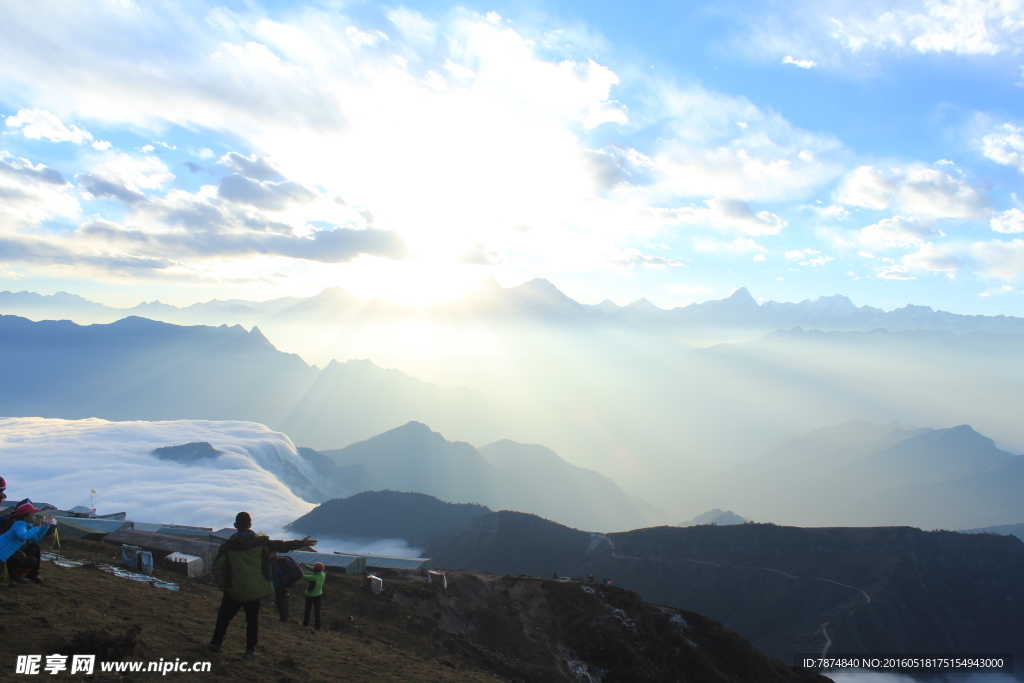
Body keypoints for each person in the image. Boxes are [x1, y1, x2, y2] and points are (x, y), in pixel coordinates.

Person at [209, 512, 316, 660]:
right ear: (250, 525)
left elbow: (216, 568)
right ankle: (249, 651)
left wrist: (225, 584)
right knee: (252, 621)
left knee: (224, 617)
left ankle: (216, 644)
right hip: (255, 590)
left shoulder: (227, 546)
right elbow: (282, 545)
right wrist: (301, 543)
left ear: (235, 526)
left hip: (234, 590)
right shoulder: (261, 543)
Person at [0, 503, 56, 586]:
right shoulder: (19, 524)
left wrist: (45, 526)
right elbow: (22, 536)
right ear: (25, 516)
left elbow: (36, 538)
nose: (35, 516)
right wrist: (37, 527)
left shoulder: (26, 526)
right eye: (33, 514)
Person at [300, 562, 326, 630]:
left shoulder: (314, 577)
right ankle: (318, 627)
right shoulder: (323, 574)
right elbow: (315, 569)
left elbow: (303, 576)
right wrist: (306, 565)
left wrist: (297, 568)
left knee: (307, 610)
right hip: (319, 594)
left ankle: (305, 624)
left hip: (310, 595)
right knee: (317, 611)